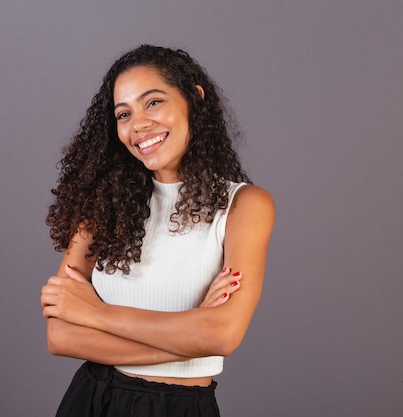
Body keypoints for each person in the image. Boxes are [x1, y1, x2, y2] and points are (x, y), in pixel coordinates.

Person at [41, 44, 274, 417]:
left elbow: (222, 335)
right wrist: (187, 341)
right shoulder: (103, 204)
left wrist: (95, 313)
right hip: (92, 400)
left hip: (180, 408)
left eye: (153, 102)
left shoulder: (245, 206)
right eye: (123, 114)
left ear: (193, 98)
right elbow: (61, 335)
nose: (139, 125)